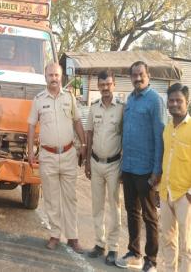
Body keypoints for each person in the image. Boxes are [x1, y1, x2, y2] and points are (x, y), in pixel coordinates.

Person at [27, 63, 86, 254]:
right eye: (50, 75)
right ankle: (54, 235)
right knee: (51, 198)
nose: (54, 78)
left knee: (71, 198)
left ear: (61, 77)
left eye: (57, 75)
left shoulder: (69, 98)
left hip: (68, 154)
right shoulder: (38, 99)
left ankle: (73, 237)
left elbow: (77, 121)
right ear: (45, 77)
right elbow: (30, 126)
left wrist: (83, 145)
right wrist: (30, 151)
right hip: (47, 155)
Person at [116, 61, 165, 272]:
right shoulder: (130, 99)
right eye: (134, 75)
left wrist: (157, 170)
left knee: (150, 216)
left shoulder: (155, 100)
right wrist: (122, 166)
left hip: (146, 170)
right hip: (128, 167)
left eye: (141, 75)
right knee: (132, 212)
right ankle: (134, 253)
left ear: (148, 76)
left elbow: (159, 137)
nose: (137, 78)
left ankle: (151, 260)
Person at [84, 70, 123, 265]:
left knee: (114, 207)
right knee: (97, 206)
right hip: (96, 162)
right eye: (102, 85)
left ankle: (113, 247)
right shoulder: (94, 108)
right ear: (98, 87)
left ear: (114, 84)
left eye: (108, 84)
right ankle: (99, 244)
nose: (105, 88)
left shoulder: (122, 109)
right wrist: (87, 162)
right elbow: (89, 134)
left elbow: (125, 136)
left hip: (114, 164)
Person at [159, 83, 191, 272]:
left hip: (184, 196)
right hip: (166, 192)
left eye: (179, 100)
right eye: (171, 100)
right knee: (168, 239)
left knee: (186, 244)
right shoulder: (167, 128)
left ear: (187, 102)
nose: (174, 104)